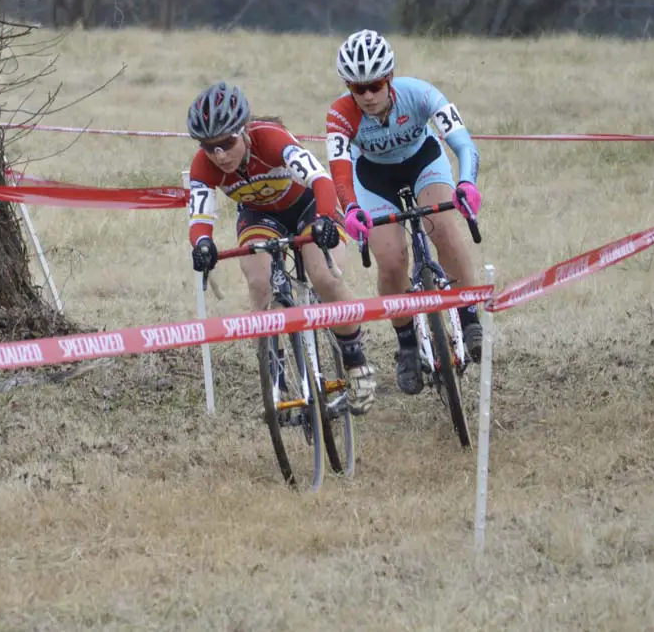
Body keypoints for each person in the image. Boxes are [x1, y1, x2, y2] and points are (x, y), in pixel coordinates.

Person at [186, 81, 377, 415]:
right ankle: (275, 371)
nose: (220, 155)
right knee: (258, 282)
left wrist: (323, 221)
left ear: (243, 131)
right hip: (259, 216)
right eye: (209, 147)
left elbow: (320, 179)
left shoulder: (270, 139)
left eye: (227, 143)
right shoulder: (203, 166)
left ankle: (356, 362)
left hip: (308, 207)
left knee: (323, 276)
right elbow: (200, 214)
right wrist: (202, 244)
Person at [324, 29, 483, 396]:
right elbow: (339, 168)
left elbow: (462, 142)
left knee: (442, 227)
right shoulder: (340, 114)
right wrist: (349, 208)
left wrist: (467, 183)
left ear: (390, 78)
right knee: (392, 260)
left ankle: (468, 313)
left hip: (423, 162)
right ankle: (407, 343)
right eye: (356, 88)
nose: (366, 96)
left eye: (375, 85)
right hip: (373, 177)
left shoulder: (420, 94)